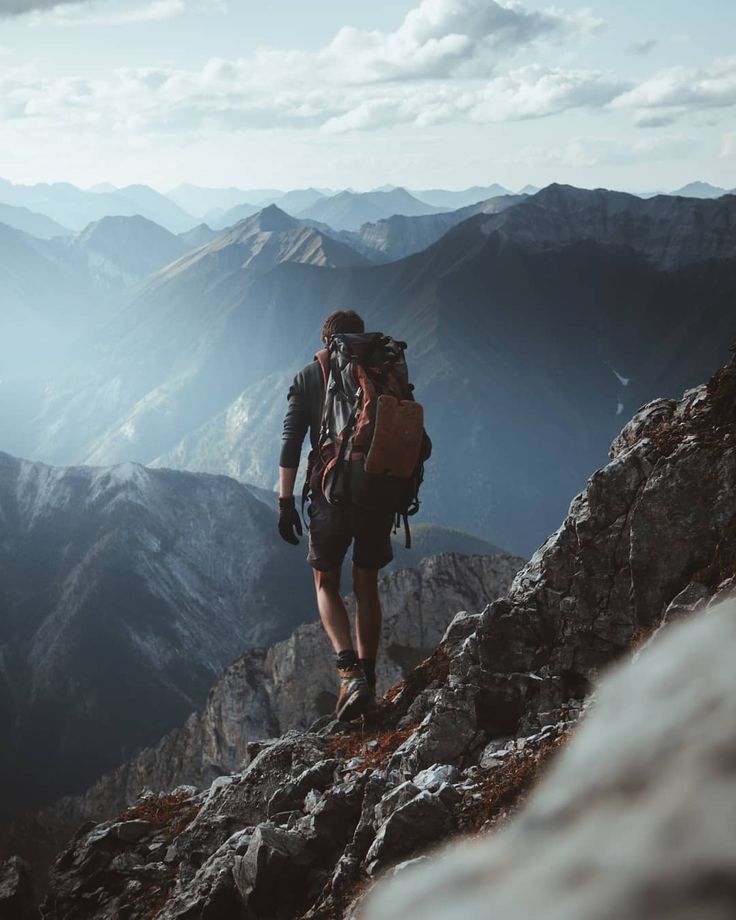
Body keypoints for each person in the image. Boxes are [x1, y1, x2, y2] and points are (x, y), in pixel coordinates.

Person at [277, 309, 400, 722]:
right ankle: (370, 681)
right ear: (360, 338)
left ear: (326, 340)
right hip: (380, 493)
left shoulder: (311, 376)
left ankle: (348, 673)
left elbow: (292, 443)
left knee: (325, 583)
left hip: (331, 496)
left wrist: (285, 501)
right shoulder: (383, 369)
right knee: (367, 585)